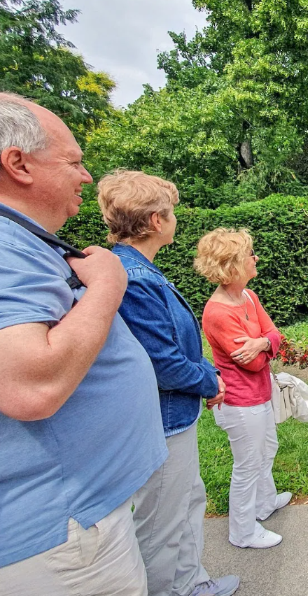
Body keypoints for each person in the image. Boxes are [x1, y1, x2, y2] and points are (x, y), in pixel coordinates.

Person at [0, 95, 167, 594]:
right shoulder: (7, 246)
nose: (87, 176)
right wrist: (109, 285)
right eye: (73, 162)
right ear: (17, 164)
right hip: (64, 537)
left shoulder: (24, 241)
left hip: (80, 520)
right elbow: (30, 386)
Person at [96, 171, 240, 596]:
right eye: (172, 212)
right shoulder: (135, 278)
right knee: (162, 522)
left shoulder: (139, 270)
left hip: (173, 414)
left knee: (187, 501)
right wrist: (210, 380)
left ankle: (191, 582)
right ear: (156, 221)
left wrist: (205, 376)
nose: (176, 219)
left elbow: (172, 347)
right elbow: (163, 363)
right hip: (163, 420)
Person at [194, 228, 290, 549]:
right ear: (233, 265)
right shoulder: (218, 312)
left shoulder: (249, 297)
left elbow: (274, 335)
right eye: (250, 255)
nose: (256, 258)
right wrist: (267, 346)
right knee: (247, 464)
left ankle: (265, 503)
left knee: (268, 448)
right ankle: (243, 532)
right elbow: (252, 364)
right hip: (240, 401)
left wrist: (261, 342)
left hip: (260, 393)